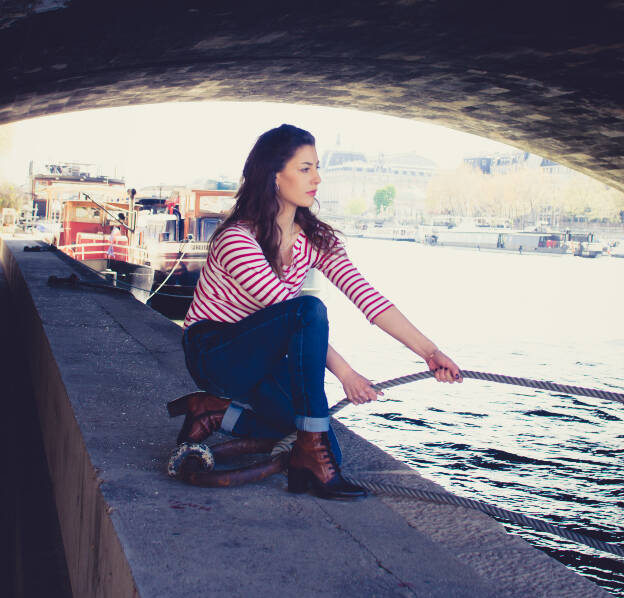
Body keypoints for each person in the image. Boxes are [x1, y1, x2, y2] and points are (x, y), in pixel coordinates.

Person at [170, 124, 462, 500]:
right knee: (308, 311)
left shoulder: (316, 241)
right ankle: (306, 450)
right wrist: (347, 374)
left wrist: (429, 352)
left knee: (319, 440)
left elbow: (366, 296)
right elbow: (287, 310)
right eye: (305, 168)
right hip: (215, 353)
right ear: (274, 176)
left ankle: (212, 412)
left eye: (317, 167)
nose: (318, 179)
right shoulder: (237, 240)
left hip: (264, 356)